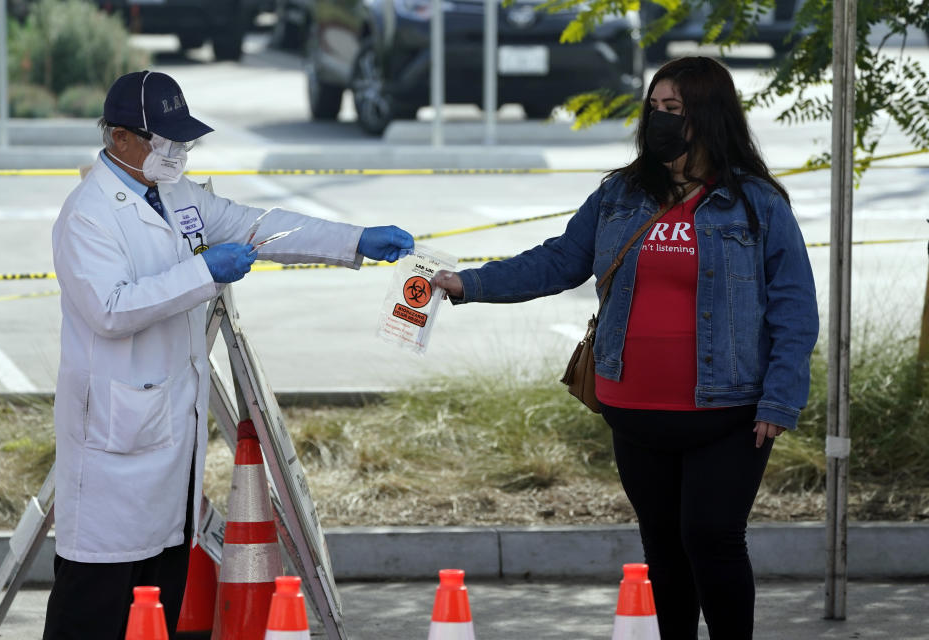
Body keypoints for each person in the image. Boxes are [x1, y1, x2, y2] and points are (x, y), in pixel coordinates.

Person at [432, 56, 818, 639]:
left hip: (728, 409)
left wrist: (781, 397)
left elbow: (794, 307)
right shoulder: (621, 194)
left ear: (710, 118)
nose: (659, 120)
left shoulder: (756, 204)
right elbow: (560, 260)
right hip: (633, 409)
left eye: (676, 111)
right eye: (654, 108)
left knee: (712, 539)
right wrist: (470, 283)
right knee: (663, 547)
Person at [43, 70, 414, 640]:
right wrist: (202, 271)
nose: (179, 153)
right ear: (120, 137)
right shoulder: (88, 213)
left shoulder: (175, 195)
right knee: (95, 609)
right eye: (166, 141)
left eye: (184, 142)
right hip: (113, 451)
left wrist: (352, 239)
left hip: (169, 444)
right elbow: (110, 309)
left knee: (156, 607)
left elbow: (256, 226)